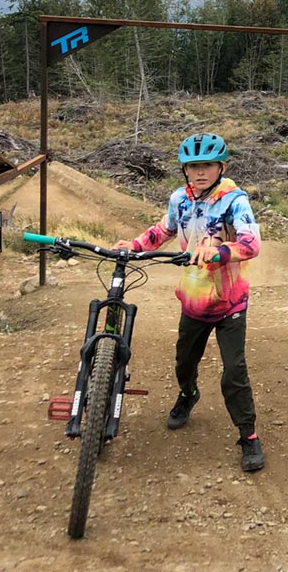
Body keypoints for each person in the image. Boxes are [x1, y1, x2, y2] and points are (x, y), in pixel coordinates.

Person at [113, 133, 264, 472]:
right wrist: (135, 245)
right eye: (193, 166)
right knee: (184, 362)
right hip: (194, 298)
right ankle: (187, 394)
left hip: (229, 300)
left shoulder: (234, 200)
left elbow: (251, 244)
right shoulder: (179, 198)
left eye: (207, 165)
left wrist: (221, 251)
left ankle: (248, 436)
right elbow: (164, 230)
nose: (200, 172)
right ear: (184, 170)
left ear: (220, 167)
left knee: (234, 371)